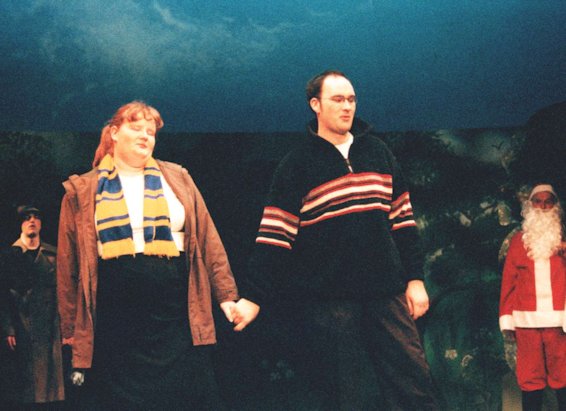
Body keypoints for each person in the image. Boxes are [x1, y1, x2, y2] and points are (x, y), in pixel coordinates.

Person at [234, 70, 437, 410]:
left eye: (351, 100)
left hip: (386, 292)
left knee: (413, 384)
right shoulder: (296, 164)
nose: (347, 107)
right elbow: (274, 236)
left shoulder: (378, 152)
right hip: (331, 302)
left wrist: (415, 279)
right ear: (316, 104)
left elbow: (403, 220)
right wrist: (253, 297)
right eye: (338, 99)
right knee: (346, 395)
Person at [56, 101, 250, 410]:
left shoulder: (177, 178)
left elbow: (208, 239)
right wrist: (70, 329)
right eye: (136, 128)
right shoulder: (83, 189)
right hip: (116, 317)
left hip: (175, 313)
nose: (145, 135)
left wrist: (227, 296)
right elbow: (68, 266)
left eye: (151, 131)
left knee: (186, 393)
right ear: (114, 133)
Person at [499, 184, 566, 411]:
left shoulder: (563, 240)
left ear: (555, 206)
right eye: (538, 201)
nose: (543, 206)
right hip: (526, 320)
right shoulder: (518, 241)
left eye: (548, 201)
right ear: (530, 206)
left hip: (559, 321)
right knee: (530, 377)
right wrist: (506, 318)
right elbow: (509, 282)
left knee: (563, 373)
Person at [0, 205, 65, 408]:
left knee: (50, 386)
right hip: (22, 326)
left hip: (49, 326)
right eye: (27, 217)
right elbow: (3, 295)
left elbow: (63, 291)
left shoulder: (53, 254)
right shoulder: (9, 255)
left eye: (36, 217)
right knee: (24, 385)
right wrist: (9, 328)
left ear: (41, 223)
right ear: (20, 224)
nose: (32, 221)